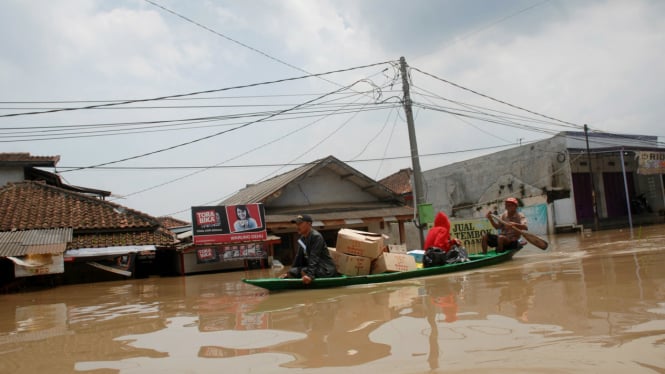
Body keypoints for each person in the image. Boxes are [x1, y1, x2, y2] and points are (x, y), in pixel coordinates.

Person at [279, 214, 338, 284]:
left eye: (300, 224)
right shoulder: (302, 239)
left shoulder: (316, 237)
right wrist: (289, 273)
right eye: (297, 224)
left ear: (309, 224)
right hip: (315, 268)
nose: (298, 226)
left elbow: (314, 257)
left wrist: (310, 276)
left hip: (326, 269)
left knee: (304, 271)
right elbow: (298, 257)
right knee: (293, 271)